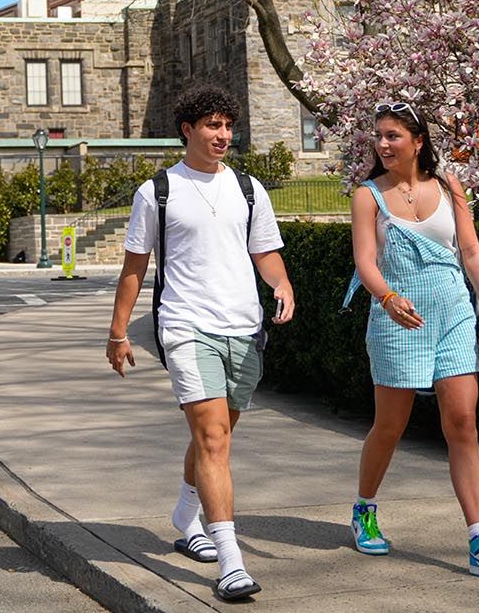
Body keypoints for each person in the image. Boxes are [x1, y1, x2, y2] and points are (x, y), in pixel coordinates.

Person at [106, 86, 294, 602]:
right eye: (213, 126)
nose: (224, 135)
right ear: (187, 130)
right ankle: (231, 562)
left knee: (217, 434)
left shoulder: (250, 189)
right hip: (186, 326)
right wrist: (118, 333)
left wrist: (282, 284)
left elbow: (266, 253)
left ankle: (186, 515)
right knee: (213, 440)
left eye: (228, 126)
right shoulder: (158, 191)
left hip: (243, 325)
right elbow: (135, 268)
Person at [344, 102, 479, 582]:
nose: (383, 145)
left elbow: (471, 251)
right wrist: (386, 297)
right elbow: (365, 261)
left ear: (418, 140)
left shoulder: (449, 187)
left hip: (452, 316)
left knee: (463, 421)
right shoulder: (368, 196)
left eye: (393, 136)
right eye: (378, 136)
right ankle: (365, 508)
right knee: (390, 425)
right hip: (397, 320)